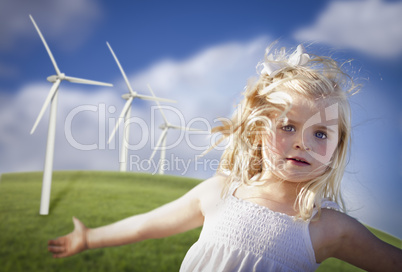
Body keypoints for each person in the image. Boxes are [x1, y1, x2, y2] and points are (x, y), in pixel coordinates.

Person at [48, 43, 402, 271]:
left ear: (337, 149)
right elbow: (147, 224)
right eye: (288, 127)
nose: (301, 143)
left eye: (320, 134)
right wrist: (90, 237)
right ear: (259, 131)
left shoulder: (328, 227)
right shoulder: (219, 193)